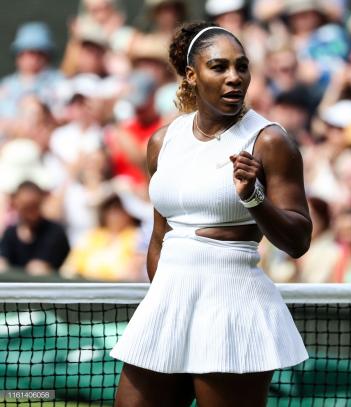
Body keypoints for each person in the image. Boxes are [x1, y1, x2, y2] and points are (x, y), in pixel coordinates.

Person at [110, 22, 311, 406]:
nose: (234, 78)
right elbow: (159, 235)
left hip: (232, 305)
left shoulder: (270, 141)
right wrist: (163, 299)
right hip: (169, 301)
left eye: (242, 66)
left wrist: (254, 198)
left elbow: (299, 240)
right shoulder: (162, 141)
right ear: (192, 75)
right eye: (219, 67)